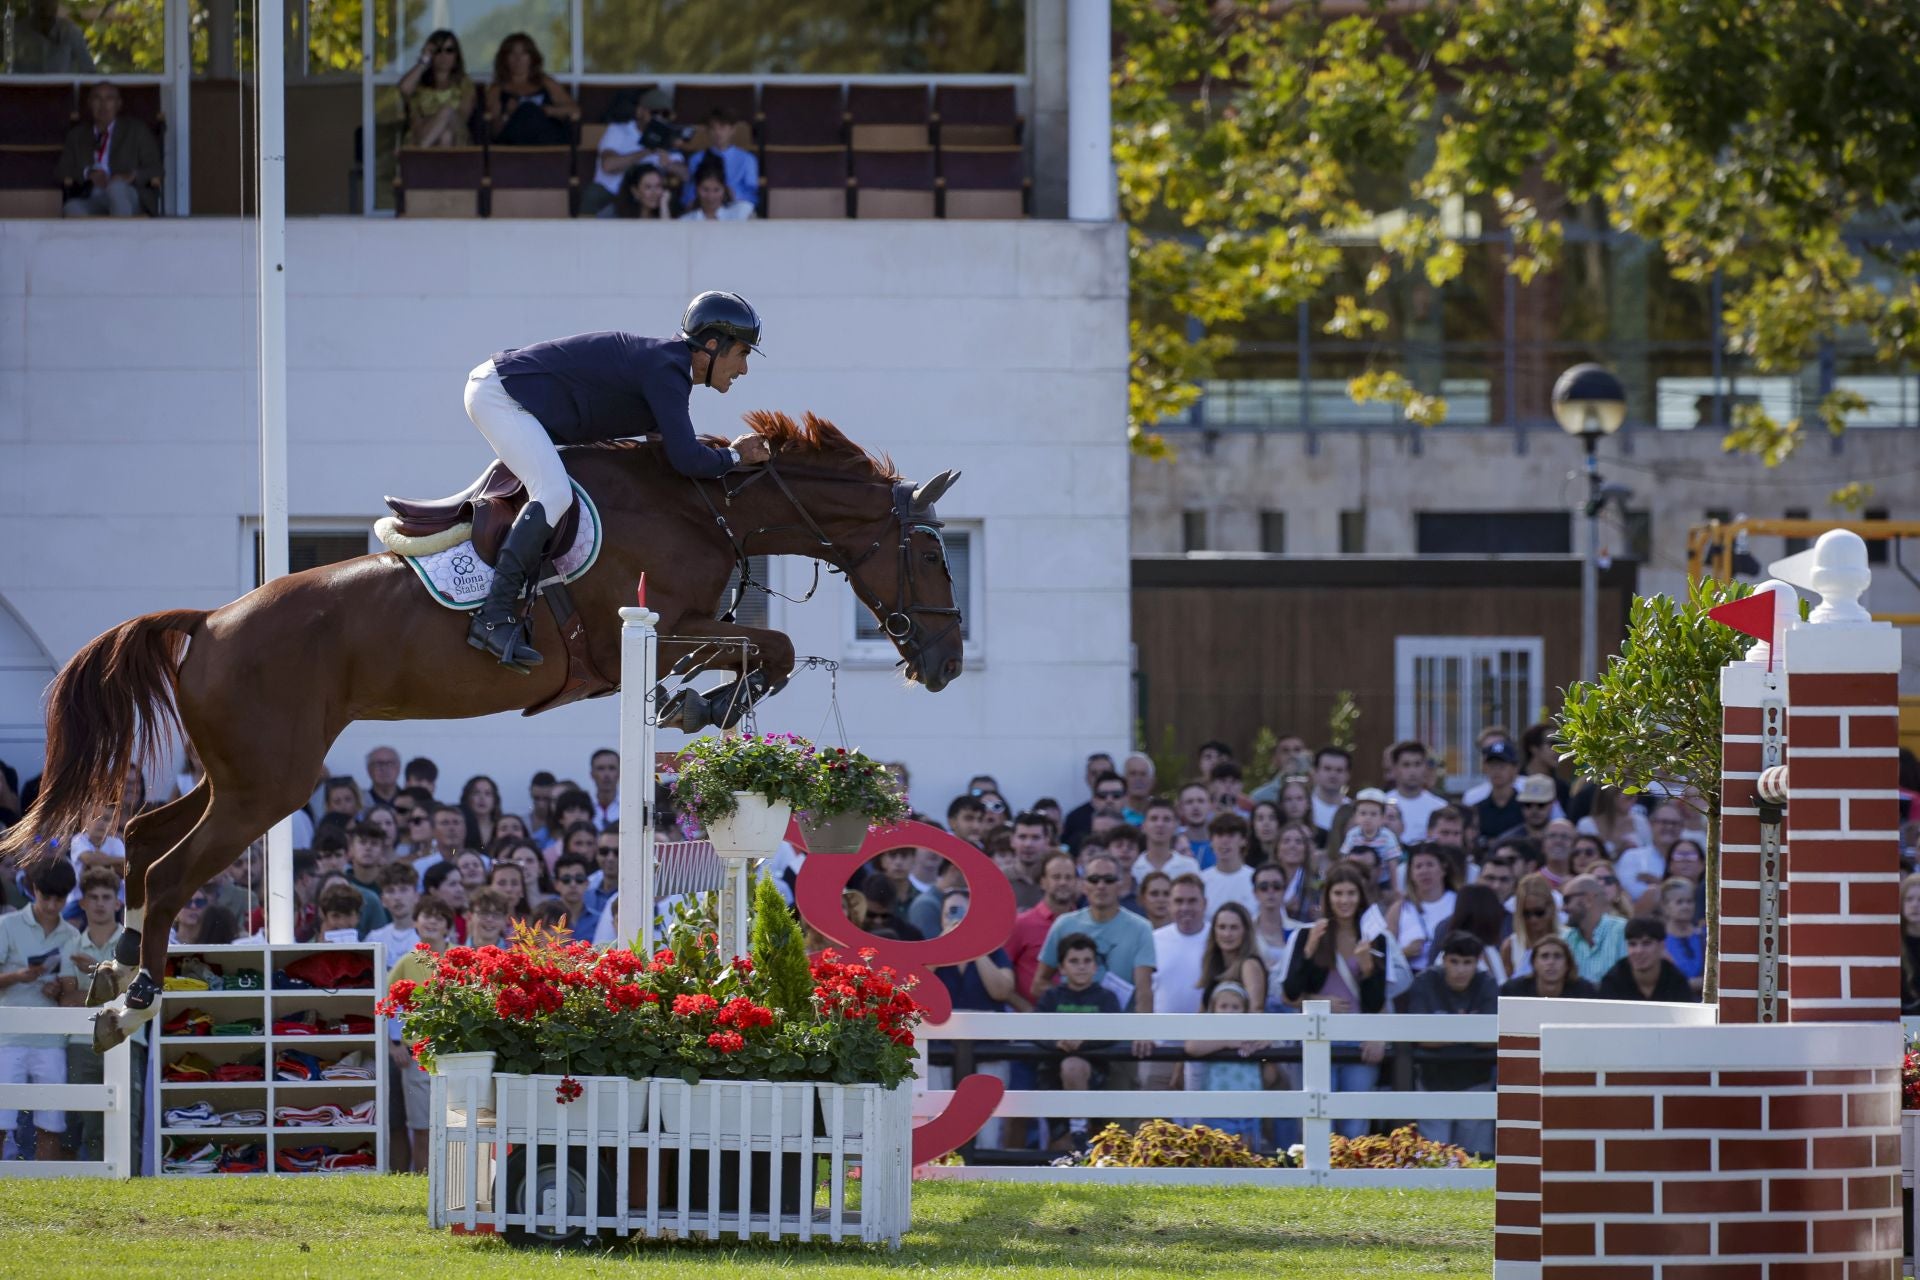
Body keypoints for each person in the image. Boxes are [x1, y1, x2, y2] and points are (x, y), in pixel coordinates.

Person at [462, 292, 771, 670]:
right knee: (554, 493)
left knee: (558, 491)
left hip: (506, 391)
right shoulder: (667, 369)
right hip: (500, 395)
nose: (744, 369)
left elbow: (670, 460)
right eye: (742, 353)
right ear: (711, 346)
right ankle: (492, 617)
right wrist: (735, 456)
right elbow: (687, 458)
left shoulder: (667, 369)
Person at [1278, 862, 1388, 1138]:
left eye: (1351, 893)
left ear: (1360, 896)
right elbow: (1290, 992)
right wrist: (1309, 950)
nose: (1344, 900)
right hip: (1317, 1036)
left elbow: (1376, 1002)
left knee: (1354, 1125)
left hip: (1357, 1038)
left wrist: (1368, 969)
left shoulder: (1374, 937)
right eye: (1338, 893)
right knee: (1317, 1125)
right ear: (1327, 897)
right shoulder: (1307, 934)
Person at [0, 860, 81, 1163]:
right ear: (34, 889)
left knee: (51, 1125)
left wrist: (58, 990)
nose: (52, 905)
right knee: (0, 1123)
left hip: (51, 1040)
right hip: (7, 1038)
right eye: (46, 897)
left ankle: (48, 1186)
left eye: (59, 899)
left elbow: (70, 991)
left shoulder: (72, 934)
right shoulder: (6, 925)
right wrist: (17, 977)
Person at [1407, 931, 1498, 1158]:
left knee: (1477, 1158)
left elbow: (1491, 1038)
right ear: (1444, 959)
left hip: (1476, 1083)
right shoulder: (1425, 982)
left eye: (1467, 962)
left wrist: (1446, 1031)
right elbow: (1421, 1037)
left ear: (1477, 962)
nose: (1460, 969)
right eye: (1454, 961)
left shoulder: (1487, 983)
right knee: (1433, 1159)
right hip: (1433, 1083)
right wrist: (1468, 1029)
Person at [386, 895, 454, 1171]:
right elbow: (383, 1005)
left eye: (439, 917)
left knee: (457, 1131)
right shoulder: (406, 961)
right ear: (415, 922)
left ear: (448, 926)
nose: (432, 922)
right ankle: (422, 1184)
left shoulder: (461, 957)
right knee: (423, 1130)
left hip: (456, 1055)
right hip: (418, 1057)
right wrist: (393, 1046)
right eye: (426, 915)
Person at [1183, 981, 1267, 1150]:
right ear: (1213, 1009)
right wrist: (1227, 1042)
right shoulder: (1210, 1032)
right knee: (1220, 1154)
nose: (1229, 1011)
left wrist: (1264, 1042)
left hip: (1249, 1107)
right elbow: (1192, 1047)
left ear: (1245, 1010)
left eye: (1236, 1007)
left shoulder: (1251, 1032)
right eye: (1223, 1006)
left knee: (1249, 1156)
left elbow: (1271, 1041)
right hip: (1217, 1108)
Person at [58, 82, 161, 218]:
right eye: (97, 98)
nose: (103, 105)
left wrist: (130, 176)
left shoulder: (136, 130)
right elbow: (61, 170)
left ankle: (121, 232)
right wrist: (87, 173)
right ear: (89, 103)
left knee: (116, 187)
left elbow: (156, 168)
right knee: (71, 208)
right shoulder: (77, 135)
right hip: (93, 195)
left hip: (127, 193)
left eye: (109, 98)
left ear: (119, 104)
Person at [1145, 875, 1210, 1092]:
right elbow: (1144, 992)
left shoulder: (1218, 938)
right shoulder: (1153, 940)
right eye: (1179, 901)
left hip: (1208, 1049)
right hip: (1161, 1048)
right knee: (1154, 1112)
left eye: (1192, 901)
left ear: (1204, 903)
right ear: (1170, 904)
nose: (1185, 907)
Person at [584, 88, 686, 216]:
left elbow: (685, 175)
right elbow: (608, 165)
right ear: (640, 111)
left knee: (673, 200)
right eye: (654, 113)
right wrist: (647, 151)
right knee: (594, 194)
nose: (659, 118)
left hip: (650, 197)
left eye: (665, 114)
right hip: (611, 194)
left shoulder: (668, 137)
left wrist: (669, 164)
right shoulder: (618, 130)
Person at [484, 32, 576, 146]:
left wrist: (550, 111)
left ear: (532, 57)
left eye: (524, 53)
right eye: (512, 54)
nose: (518, 59)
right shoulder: (497, 89)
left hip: (546, 141)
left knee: (530, 111)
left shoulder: (546, 82)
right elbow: (494, 132)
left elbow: (575, 111)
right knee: (526, 111)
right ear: (504, 58)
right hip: (515, 143)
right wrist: (507, 114)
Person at [1386, 843, 1458, 976]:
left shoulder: (1458, 903)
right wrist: (1405, 952)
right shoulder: (1399, 908)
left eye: (1430, 865)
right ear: (1411, 874)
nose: (1424, 871)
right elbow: (1386, 957)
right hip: (1411, 978)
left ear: (1443, 869)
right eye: (1418, 866)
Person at [398, 30, 474, 147]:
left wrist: (440, 118)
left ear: (456, 55)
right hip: (421, 132)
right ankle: (425, 149)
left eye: (449, 50)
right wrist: (424, 61)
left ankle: (422, 150)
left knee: (447, 114)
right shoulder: (419, 83)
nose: (443, 55)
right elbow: (404, 88)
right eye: (438, 50)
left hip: (457, 135)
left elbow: (463, 117)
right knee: (445, 135)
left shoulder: (464, 83)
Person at [1599, 916, 1696, 1002]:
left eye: (1646, 943)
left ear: (1661, 946)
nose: (1639, 951)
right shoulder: (1613, 981)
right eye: (1632, 944)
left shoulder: (1676, 982)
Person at [682, 106, 759, 209]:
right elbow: (689, 193)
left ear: (732, 130)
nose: (718, 132)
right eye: (713, 128)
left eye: (722, 127)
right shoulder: (696, 159)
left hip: (736, 209)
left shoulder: (748, 159)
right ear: (708, 131)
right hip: (704, 209)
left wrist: (733, 195)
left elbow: (752, 195)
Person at [1197, 901, 1267, 1011]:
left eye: (1234, 928)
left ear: (1245, 931)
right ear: (1214, 931)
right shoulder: (1213, 965)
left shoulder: (1250, 965)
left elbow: (1255, 1010)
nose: (1227, 934)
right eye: (1222, 927)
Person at [1560, 873, 1628, 985]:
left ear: (1588, 900)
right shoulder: (1565, 940)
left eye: (1567, 900)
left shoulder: (1623, 932)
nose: (1563, 908)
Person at [1500, 872, 1561, 979]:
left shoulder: (1570, 938)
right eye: (1526, 913)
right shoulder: (1510, 947)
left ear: (1551, 907)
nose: (1533, 919)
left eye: (1539, 912)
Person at [1498, 933, 1594, 999]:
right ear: (1533, 963)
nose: (1551, 962)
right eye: (1544, 956)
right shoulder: (1513, 992)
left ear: (1567, 964)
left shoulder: (1585, 992)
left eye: (1557, 956)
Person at [1386, 741, 1448, 841]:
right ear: (1395, 769)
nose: (1412, 771)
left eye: (1417, 764)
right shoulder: (1383, 804)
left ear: (1425, 767)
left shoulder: (1440, 807)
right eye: (1406, 765)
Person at [1199, 813, 1258, 917]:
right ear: (1211, 841)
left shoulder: (1256, 879)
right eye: (1219, 835)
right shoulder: (1201, 881)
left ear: (1243, 840)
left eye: (1231, 835)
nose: (1224, 841)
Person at [11, 0, 94, 72]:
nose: (46, 12)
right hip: (26, 84)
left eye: (50, 3)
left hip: (62, 85)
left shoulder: (70, 31)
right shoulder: (17, 32)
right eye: (41, 9)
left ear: (56, 7)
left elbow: (89, 69)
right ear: (32, 5)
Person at [1655, 877, 1704, 997]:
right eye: (1679, 902)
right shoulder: (1657, 941)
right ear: (1665, 906)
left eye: (1689, 901)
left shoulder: (1706, 936)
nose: (1686, 907)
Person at [680, 156, 756, 221]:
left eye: (716, 190)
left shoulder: (741, 212)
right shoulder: (686, 220)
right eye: (705, 190)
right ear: (696, 189)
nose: (710, 196)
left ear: (724, 189)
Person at [1307, 748, 1351, 831]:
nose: (1333, 774)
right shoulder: (1304, 807)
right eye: (1327, 769)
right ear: (1315, 772)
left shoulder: (1353, 812)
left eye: (1339, 770)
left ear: (1347, 775)